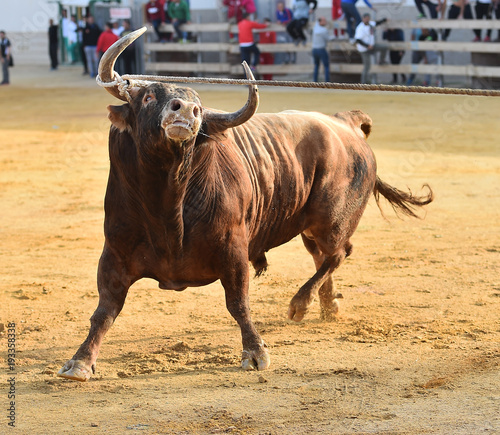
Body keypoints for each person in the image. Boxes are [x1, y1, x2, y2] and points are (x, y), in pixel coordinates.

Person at [354, 13, 388, 84]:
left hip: (371, 46)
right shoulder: (360, 28)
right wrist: (367, 46)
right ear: (363, 19)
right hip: (364, 49)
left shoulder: (370, 24)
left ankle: (381, 61)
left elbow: (377, 23)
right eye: (365, 18)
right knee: (367, 66)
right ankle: (363, 83)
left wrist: (384, 20)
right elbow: (358, 40)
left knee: (384, 47)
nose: (367, 20)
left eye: (368, 18)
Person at [311, 16, 331, 82]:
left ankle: (315, 81)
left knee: (316, 65)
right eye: (324, 20)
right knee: (326, 66)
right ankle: (327, 81)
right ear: (320, 22)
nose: (325, 22)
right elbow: (328, 38)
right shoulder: (324, 30)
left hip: (314, 49)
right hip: (321, 49)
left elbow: (317, 22)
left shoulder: (315, 28)